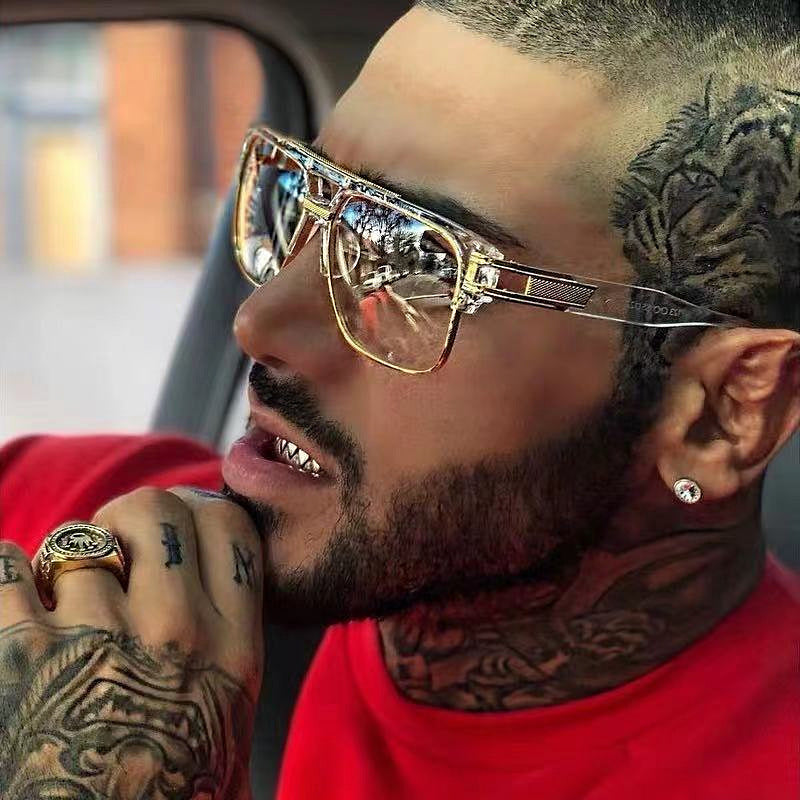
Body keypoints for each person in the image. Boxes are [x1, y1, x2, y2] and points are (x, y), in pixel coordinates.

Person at [1, 0, 798, 797]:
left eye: (418, 262)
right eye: (304, 197)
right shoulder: (63, 537)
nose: (259, 321)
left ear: (721, 411)